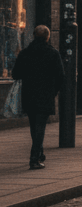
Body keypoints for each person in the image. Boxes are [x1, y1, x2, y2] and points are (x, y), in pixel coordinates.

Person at [12, 24, 64, 170]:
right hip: (45, 95)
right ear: (48, 37)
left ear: (34, 36)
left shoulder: (25, 53)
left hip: (29, 95)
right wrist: (53, 91)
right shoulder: (53, 53)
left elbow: (15, 74)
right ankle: (34, 158)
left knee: (34, 126)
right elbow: (61, 76)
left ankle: (39, 153)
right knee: (40, 127)